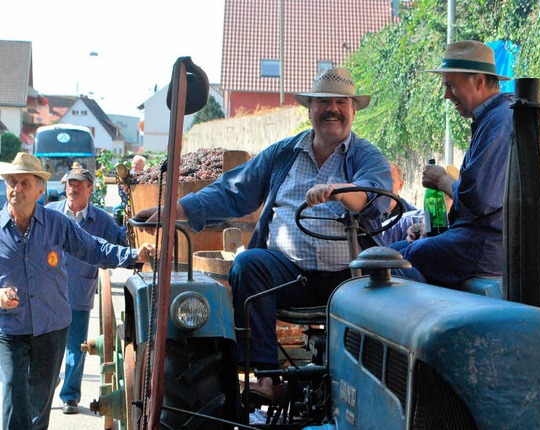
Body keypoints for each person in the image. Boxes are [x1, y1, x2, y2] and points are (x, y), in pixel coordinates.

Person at [136, 67, 392, 404]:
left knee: (406, 280)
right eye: (323, 102)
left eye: (341, 102)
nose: (332, 109)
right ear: (309, 109)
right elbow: (232, 191)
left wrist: (338, 191)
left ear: (353, 110)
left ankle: (379, 384)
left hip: (348, 278)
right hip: (291, 275)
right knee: (248, 264)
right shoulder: (283, 154)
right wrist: (173, 212)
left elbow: (374, 195)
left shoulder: (366, 156)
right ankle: (267, 378)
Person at [0, 153, 152, 430]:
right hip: (10, 329)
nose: (17, 189)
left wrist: (135, 255)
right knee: (13, 392)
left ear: (40, 190)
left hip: (51, 326)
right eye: (12, 182)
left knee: (39, 399)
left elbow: (95, 248)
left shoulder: (56, 224)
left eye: (24, 183)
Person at [395, 40, 514, 288]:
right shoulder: (493, 119)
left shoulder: (500, 120)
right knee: (398, 248)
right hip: (477, 239)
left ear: (479, 81)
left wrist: (441, 180)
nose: (447, 95)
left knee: (391, 262)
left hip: (484, 246)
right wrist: (435, 230)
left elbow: (477, 200)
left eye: (451, 85)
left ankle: (425, 323)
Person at [46, 167, 127, 415]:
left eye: (79, 185)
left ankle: (69, 396)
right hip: (48, 293)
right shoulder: (50, 213)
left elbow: (121, 241)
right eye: (70, 184)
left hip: (79, 292)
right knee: (46, 345)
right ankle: (46, 385)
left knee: (75, 348)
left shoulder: (101, 220)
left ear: (90, 189)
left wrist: (132, 218)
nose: (73, 188)